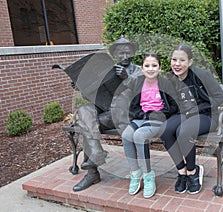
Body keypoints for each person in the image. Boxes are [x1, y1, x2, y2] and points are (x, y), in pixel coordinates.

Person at [72, 37, 141, 192]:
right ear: (115, 55)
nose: (124, 56)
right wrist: (81, 87)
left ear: (132, 53)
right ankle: (96, 153)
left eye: (127, 53)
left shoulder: (138, 70)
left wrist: (127, 78)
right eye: (120, 53)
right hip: (105, 111)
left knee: (88, 127)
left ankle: (92, 171)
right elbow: (94, 94)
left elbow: (144, 93)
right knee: (84, 112)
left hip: (125, 113)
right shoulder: (107, 71)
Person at [160, 45, 223, 194]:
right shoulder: (170, 78)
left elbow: (220, 97)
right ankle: (181, 171)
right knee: (165, 130)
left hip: (206, 115)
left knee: (184, 132)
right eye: (174, 59)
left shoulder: (202, 75)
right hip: (184, 115)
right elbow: (171, 105)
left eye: (182, 60)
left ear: (190, 62)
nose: (177, 64)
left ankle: (192, 171)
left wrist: (198, 109)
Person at [120, 53, 178, 198]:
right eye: (147, 66)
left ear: (160, 67)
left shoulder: (165, 83)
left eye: (154, 65)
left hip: (158, 119)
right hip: (141, 118)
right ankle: (135, 173)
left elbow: (174, 106)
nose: (150, 69)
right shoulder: (138, 83)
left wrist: (158, 113)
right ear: (142, 68)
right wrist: (141, 114)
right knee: (126, 136)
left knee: (139, 136)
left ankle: (148, 175)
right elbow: (133, 105)